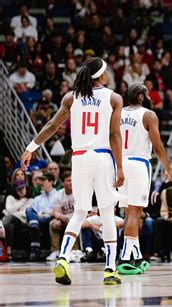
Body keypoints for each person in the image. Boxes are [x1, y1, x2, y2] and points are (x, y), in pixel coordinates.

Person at [20, 57, 124, 285]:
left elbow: (52, 126)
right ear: (102, 76)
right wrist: (120, 167)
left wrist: (31, 148)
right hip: (103, 156)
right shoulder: (114, 98)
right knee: (107, 213)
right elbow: (115, 135)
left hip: (79, 158)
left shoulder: (71, 97)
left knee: (79, 212)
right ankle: (110, 269)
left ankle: (63, 257)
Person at [117, 83, 172, 275]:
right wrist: (167, 167)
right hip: (139, 163)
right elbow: (157, 146)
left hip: (120, 164)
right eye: (147, 94)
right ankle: (124, 258)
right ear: (140, 96)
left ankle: (137, 255)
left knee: (127, 213)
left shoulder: (118, 113)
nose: (149, 98)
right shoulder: (148, 115)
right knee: (135, 212)